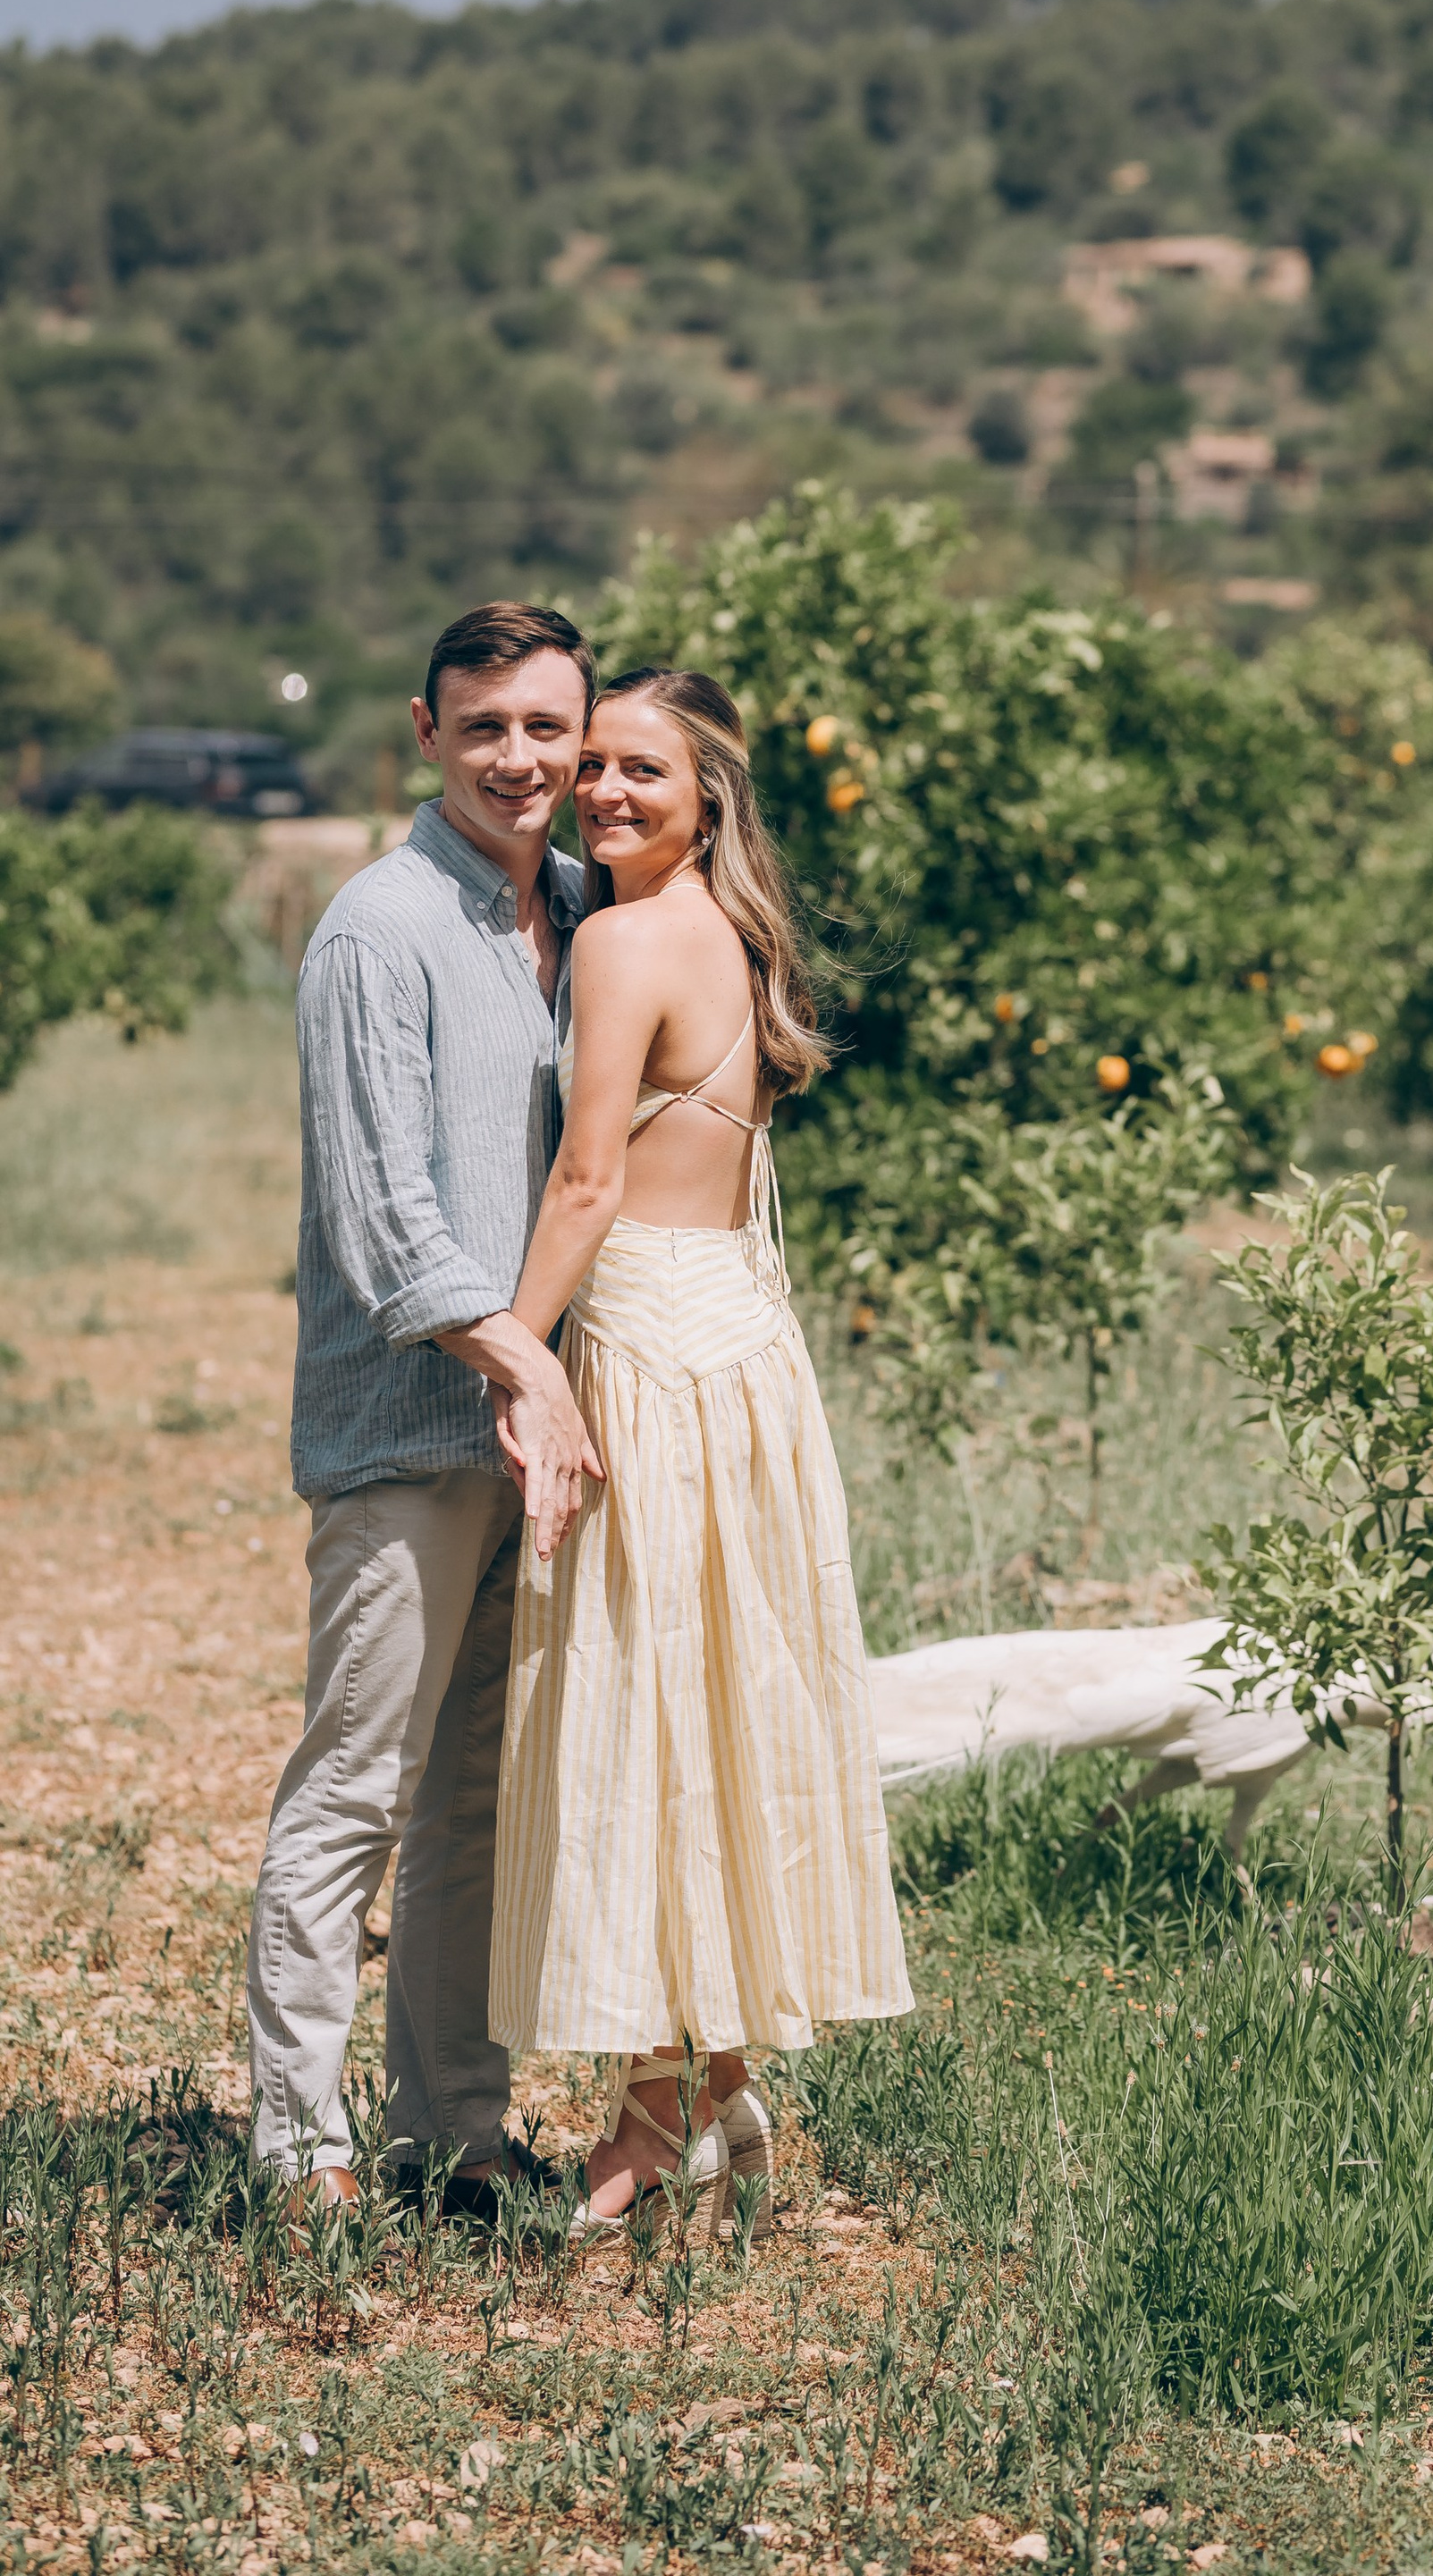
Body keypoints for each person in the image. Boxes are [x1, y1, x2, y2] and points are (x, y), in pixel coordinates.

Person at [490, 666, 910, 2231]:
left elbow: (588, 1179)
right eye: (590, 764)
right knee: (727, 1703)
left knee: (645, 1712)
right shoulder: (732, 941)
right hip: (747, 1339)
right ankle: (712, 2079)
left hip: (655, 1345)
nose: (600, 790)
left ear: (710, 793)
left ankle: (661, 2106)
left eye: (638, 771)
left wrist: (519, 1352)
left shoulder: (617, 936)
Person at [246, 603, 606, 2208]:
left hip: (533, 1433)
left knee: (475, 1800)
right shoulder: (376, 930)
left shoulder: (582, 910)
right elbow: (385, 1219)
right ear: (424, 731)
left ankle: (452, 2131)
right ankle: (296, 2147)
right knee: (358, 1781)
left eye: (548, 727)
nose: (520, 758)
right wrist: (527, 1367)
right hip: (411, 1426)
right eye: (486, 729)